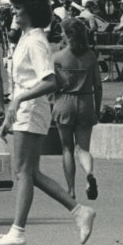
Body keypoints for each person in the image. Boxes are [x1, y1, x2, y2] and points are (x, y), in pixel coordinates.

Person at [0, 0, 96, 245]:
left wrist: (18, 100)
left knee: (23, 171)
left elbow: (49, 80)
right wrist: (11, 114)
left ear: (30, 12)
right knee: (30, 172)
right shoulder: (28, 38)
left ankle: (18, 231)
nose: (13, 11)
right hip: (28, 107)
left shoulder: (36, 41)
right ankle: (79, 211)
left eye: (18, 7)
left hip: (32, 107)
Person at [52, 18, 103, 201]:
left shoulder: (58, 58)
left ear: (68, 35)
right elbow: (98, 86)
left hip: (64, 103)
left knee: (67, 148)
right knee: (82, 148)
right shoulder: (90, 57)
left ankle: (71, 189)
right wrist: (97, 108)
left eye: (63, 32)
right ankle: (89, 174)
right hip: (86, 101)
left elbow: (53, 85)